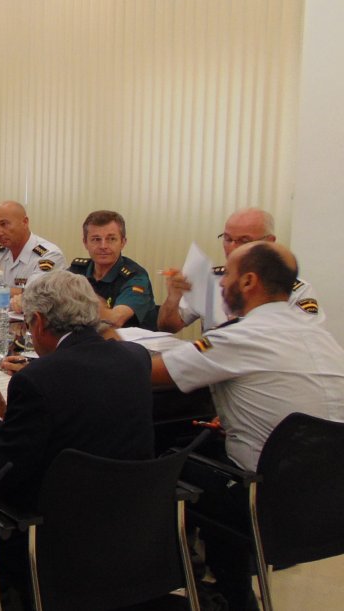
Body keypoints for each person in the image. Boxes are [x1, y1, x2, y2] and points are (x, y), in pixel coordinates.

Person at [151, 241, 344, 609]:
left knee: (168, 459)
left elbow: (150, 375)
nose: (220, 284)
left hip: (267, 501)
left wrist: (108, 344)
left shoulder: (240, 336)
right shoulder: (319, 334)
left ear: (250, 281)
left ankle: (209, 592)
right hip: (329, 497)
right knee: (206, 445)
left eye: (227, 274)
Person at [0, 270, 155, 510]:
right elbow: (86, 372)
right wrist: (39, 367)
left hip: (57, 519)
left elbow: (0, 471)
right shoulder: (137, 358)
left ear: (38, 322)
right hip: (132, 507)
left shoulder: (35, 382)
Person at [157, 207, 323, 332]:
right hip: (213, 369)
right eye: (228, 239)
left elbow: (303, 341)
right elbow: (168, 327)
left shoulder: (295, 289)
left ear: (269, 242)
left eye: (244, 240)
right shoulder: (209, 279)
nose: (233, 248)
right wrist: (173, 298)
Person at [67, 209, 155, 328]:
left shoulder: (135, 276)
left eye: (111, 239)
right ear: (85, 243)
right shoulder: (77, 270)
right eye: (96, 239)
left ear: (123, 242)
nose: (103, 246)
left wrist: (85, 300)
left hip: (129, 344)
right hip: (87, 341)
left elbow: (115, 319)